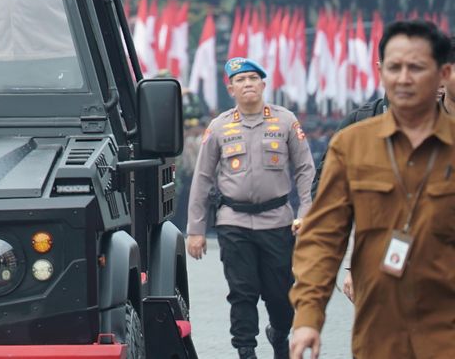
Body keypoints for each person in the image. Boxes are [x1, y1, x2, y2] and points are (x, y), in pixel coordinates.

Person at [290, 21, 455, 359]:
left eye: (417, 67)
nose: (404, 78)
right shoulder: (353, 145)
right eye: (395, 67)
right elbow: (323, 238)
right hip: (380, 332)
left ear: (442, 74)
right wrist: (308, 318)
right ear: (381, 72)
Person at [186, 57, 315, 359]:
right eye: (240, 80)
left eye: (253, 79)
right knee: (242, 293)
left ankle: (279, 334)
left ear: (263, 84)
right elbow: (202, 178)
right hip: (234, 222)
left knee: (281, 295)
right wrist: (195, 231)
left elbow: (305, 170)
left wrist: (306, 214)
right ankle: (246, 350)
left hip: (277, 221)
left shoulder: (285, 121)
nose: (248, 85)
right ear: (230, 88)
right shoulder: (219, 127)